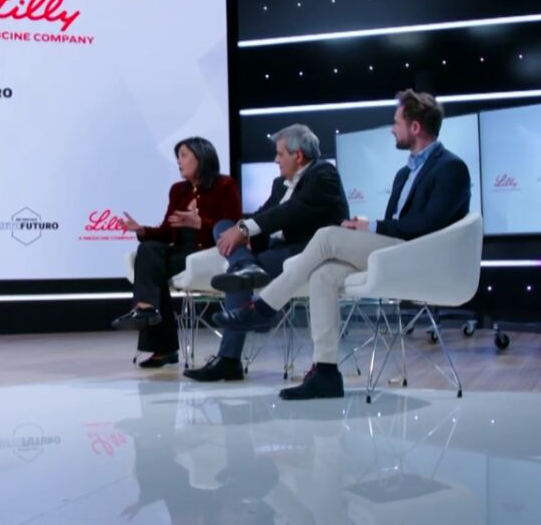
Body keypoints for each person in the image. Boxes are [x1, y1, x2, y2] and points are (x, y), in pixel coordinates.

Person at [212, 90, 471, 400]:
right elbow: (399, 222)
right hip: (395, 249)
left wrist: (371, 227)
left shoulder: (451, 167)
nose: (392, 129)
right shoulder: (405, 173)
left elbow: (430, 224)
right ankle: (325, 372)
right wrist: (367, 226)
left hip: (420, 254)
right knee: (323, 275)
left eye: (397, 122)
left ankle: (262, 308)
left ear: (415, 127)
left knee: (328, 235)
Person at [184, 124, 348, 382]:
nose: (275, 160)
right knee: (223, 227)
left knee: (237, 272)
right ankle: (245, 266)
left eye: (280, 154)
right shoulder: (280, 184)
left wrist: (245, 230)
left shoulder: (323, 173)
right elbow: (264, 214)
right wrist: (243, 233)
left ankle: (228, 360)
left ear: (298, 155)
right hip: (275, 249)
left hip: (306, 253)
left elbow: (290, 211)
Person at [112, 137, 242, 368]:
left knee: (155, 270)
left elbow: (233, 227)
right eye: (178, 157)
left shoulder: (224, 185)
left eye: (184, 155)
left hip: (208, 254)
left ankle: (163, 347)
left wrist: (200, 223)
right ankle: (146, 308)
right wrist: (142, 230)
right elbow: (166, 231)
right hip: (181, 253)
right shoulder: (177, 190)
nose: (179, 162)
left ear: (201, 157)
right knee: (148, 249)